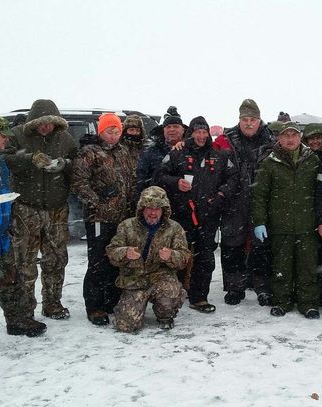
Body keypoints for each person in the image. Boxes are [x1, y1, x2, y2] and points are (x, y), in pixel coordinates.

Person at [0, 112, 47, 350]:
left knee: (10, 282)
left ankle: (18, 322)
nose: (7, 140)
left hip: (0, 234)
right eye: (3, 136)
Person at [3, 99, 78, 320]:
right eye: (42, 123)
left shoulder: (65, 138)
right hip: (27, 208)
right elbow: (3, 158)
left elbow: (78, 163)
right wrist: (29, 159)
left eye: (50, 123)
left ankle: (53, 304)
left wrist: (64, 164)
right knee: (24, 261)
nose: (46, 127)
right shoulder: (17, 135)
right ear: (33, 122)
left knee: (56, 259)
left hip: (57, 209)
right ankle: (25, 309)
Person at [156, 116, 238, 313]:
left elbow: (234, 178)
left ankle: (199, 297)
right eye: (197, 131)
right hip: (181, 214)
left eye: (204, 132)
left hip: (209, 215)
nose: (201, 136)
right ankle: (174, 294)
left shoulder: (219, 155)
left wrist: (220, 194)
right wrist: (176, 182)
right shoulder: (178, 153)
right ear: (190, 133)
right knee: (178, 256)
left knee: (205, 258)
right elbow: (159, 176)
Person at [251, 122, 322, 318]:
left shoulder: (313, 160)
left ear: (300, 138)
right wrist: (259, 221)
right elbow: (259, 195)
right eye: (285, 136)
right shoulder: (269, 162)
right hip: (280, 226)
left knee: (307, 267)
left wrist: (321, 219)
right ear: (279, 139)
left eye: (293, 135)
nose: (290, 139)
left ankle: (308, 303)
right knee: (281, 266)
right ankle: (282, 301)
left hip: (307, 225)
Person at [72, 113, 132, 325]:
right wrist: (97, 201)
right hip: (99, 218)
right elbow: (78, 183)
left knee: (116, 260)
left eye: (117, 131)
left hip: (121, 217)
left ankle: (111, 301)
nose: (114, 136)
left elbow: (129, 181)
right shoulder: (89, 153)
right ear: (101, 131)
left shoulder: (123, 151)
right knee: (98, 262)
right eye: (109, 131)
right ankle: (95, 306)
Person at [106, 186, 191, 331]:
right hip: (134, 279)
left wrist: (171, 255)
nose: (153, 212)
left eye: (157, 208)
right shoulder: (126, 226)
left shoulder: (174, 228)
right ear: (141, 208)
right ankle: (133, 305)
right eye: (149, 207)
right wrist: (125, 252)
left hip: (161, 278)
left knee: (170, 293)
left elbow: (184, 257)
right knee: (126, 325)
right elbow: (112, 251)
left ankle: (165, 315)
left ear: (164, 210)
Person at [218, 99, 275, 306]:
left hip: (263, 200)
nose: (249, 123)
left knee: (262, 247)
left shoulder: (272, 139)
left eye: (253, 119)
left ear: (259, 120)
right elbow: (206, 150)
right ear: (239, 119)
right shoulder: (226, 139)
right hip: (234, 201)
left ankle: (263, 288)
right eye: (245, 119)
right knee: (232, 245)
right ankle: (235, 287)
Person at [302, 123, 322, 307]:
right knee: (306, 258)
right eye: (311, 138)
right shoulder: (301, 159)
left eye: (318, 138)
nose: (315, 141)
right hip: (304, 214)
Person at [137, 106, 186, 195]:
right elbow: (141, 180)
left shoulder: (191, 150)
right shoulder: (150, 152)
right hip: (158, 204)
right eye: (168, 127)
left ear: (183, 130)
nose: (172, 129)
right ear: (163, 130)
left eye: (176, 126)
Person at [121, 114, 147, 215]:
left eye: (137, 130)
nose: (134, 133)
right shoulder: (117, 148)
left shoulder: (146, 149)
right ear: (125, 130)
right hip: (120, 200)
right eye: (131, 130)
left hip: (141, 197)